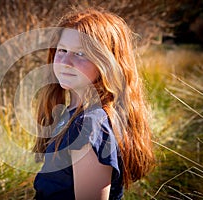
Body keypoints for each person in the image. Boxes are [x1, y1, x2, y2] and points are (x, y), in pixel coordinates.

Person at [32, 7, 155, 200]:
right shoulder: (72, 112)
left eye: (80, 54)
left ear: (107, 63)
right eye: (62, 50)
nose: (66, 62)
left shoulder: (88, 126)